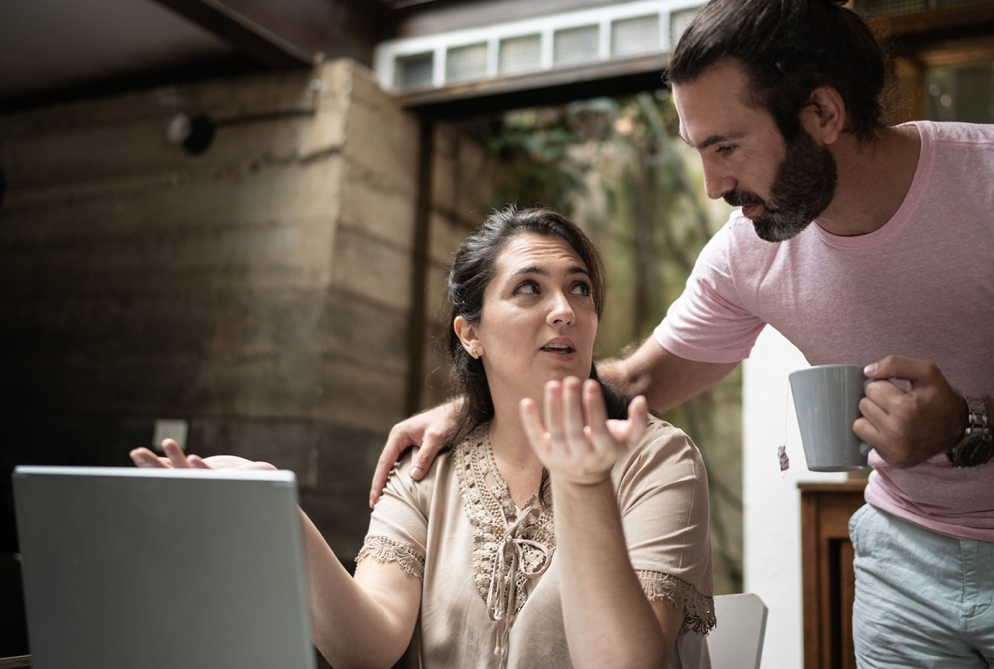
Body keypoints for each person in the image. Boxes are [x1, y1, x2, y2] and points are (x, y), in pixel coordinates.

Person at [371, 0, 994, 669]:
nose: (713, 188)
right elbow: (636, 382)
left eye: (726, 147)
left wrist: (973, 422)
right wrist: (487, 404)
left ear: (823, 115)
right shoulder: (749, 251)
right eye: (698, 151)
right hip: (904, 555)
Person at [131, 207, 715, 669]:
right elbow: (368, 646)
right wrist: (275, 512)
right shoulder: (427, 468)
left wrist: (583, 482)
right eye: (530, 289)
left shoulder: (658, 460)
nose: (564, 309)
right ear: (471, 335)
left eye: (580, 288)